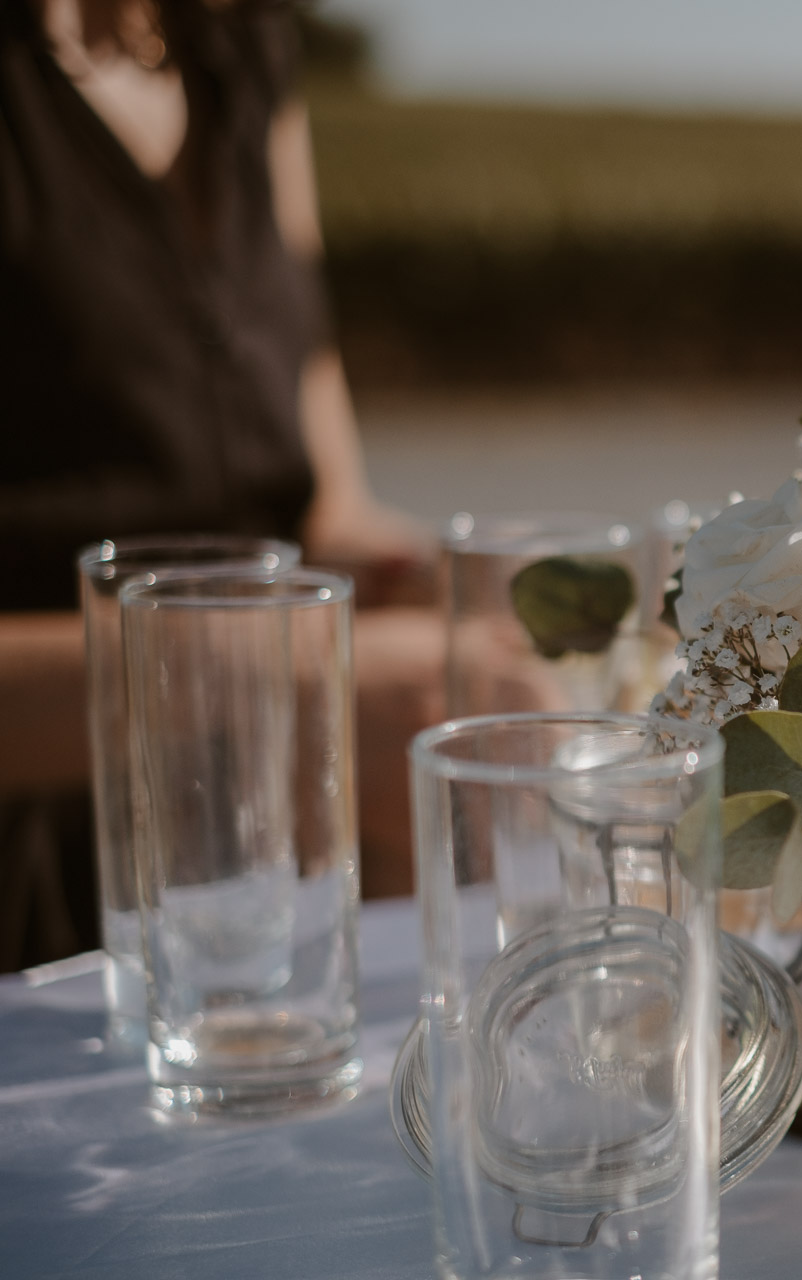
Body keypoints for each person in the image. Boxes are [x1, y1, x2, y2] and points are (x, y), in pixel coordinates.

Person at [0, 0, 440, 970]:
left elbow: (321, 513)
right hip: (42, 916)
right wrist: (281, 678)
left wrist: (452, 582)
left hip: (259, 884)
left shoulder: (237, 45)